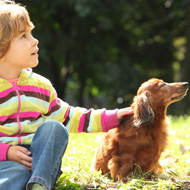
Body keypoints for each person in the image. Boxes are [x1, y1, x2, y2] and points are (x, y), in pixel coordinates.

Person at [0, 1, 133, 190]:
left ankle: (39, 185)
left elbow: (70, 117)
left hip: (40, 164)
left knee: (54, 129)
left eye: (31, 33)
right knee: (16, 174)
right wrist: (7, 152)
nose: (34, 41)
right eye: (23, 36)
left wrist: (113, 117)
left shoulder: (40, 86)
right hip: (4, 164)